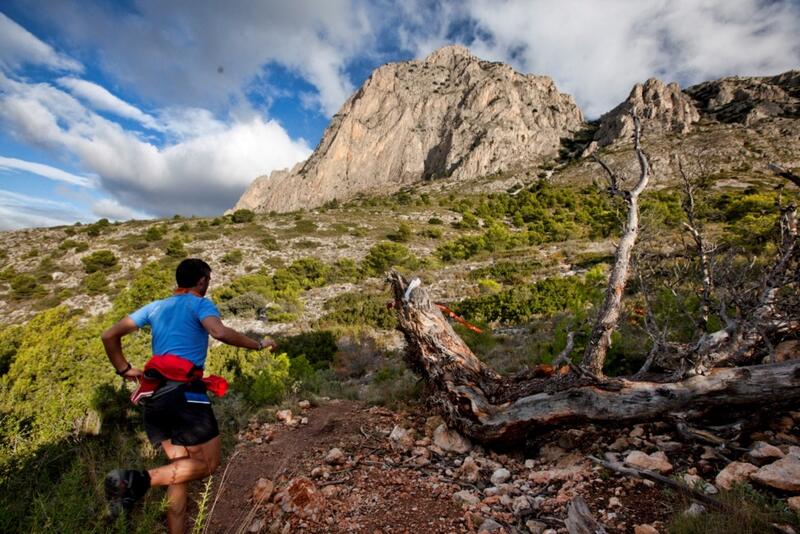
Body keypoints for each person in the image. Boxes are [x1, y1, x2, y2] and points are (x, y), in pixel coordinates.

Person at [101, 258, 275, 533]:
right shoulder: (200, 303)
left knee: (181, 468)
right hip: (185, 396)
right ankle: (136, 481)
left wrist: (123, 369)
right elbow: (219, 332)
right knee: (208, 464)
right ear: (202, 281)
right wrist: (257, 344)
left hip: (155, 396)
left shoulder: (155, 307)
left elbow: (109, 335)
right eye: (208, 281)